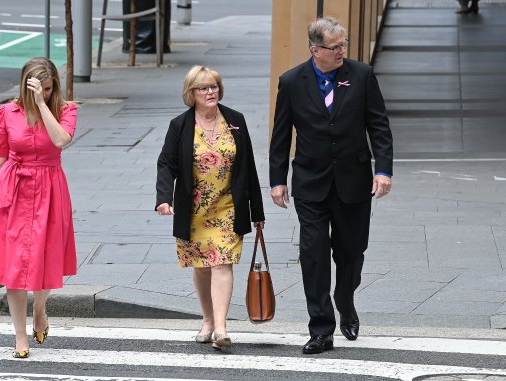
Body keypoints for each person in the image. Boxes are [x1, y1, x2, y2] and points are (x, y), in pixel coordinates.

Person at [269, 17, 393, 355]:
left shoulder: (362, 75)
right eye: (334, 47)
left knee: (351, 253)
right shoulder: (293, 81)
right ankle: (321, 328)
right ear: (315, 49)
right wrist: (277, 180)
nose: (341, 51)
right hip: (310, 181)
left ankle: (345, 299)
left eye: (343, 45)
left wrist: (383, 170)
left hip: (353, 181)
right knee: (313, 254)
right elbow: (281, 135)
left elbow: (378, 125)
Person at [0, 57, 77, 359]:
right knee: (14, 268)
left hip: (50, 190)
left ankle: (40, 308)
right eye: (38, 89)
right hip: (11, 192)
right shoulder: (6, 112)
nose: (43, 93)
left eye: (48, 88)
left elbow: (61, 140)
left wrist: (42, 105)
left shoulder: (65, 110)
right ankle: (20, 335)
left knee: (46, 261)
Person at [156, 65, 265, 350]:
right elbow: (166, 163)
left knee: (221, 262)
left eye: (214, 86)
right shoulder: (180, 125)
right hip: (193, 211)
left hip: (228, 207)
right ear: (191, 94)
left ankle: (221, 328)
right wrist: (163, 198)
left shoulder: (236, 120)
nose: (210, 92)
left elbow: (249, 168)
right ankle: (207, 319)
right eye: (204, 88)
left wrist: (258, 212)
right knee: (202, 267)